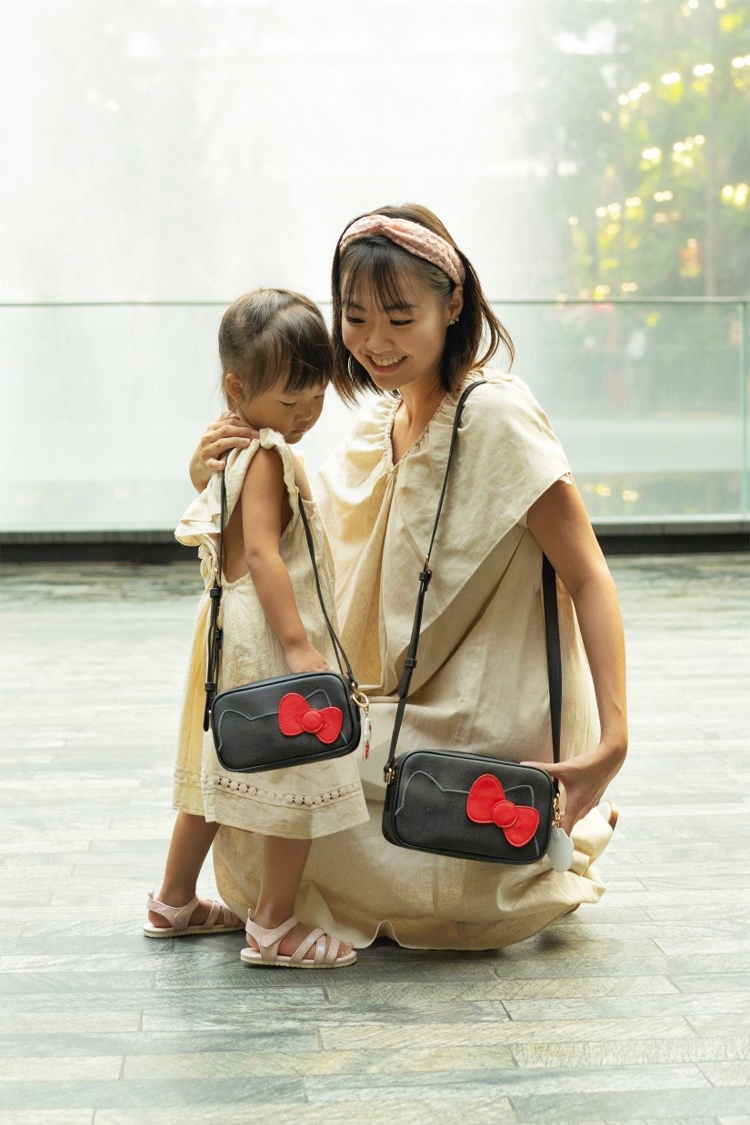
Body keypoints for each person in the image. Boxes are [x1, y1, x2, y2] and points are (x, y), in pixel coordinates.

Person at [190, 205, 627, 951]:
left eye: (399, 316)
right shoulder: (381, 422)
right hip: (402, 702)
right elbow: (296, 554)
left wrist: (614, 740)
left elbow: (587, 573)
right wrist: (218, 479)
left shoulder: (494, 418)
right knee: (258, 740)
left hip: (472, 726)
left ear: (452, 305)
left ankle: (293, 908)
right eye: (355, 318)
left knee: (282, 761)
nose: (373, 343)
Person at [146, 288, 368, 968]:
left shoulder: (236, 449)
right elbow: (267, 552)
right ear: (239, 389)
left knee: (220, 771)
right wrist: (301, 647)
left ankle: (174, 900)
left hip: (227, 632)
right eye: (290, 401)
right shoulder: (267, 453)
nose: (304, 416)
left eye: (316, 399)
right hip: (268, 636)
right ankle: (273, 926)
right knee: (292, 783)